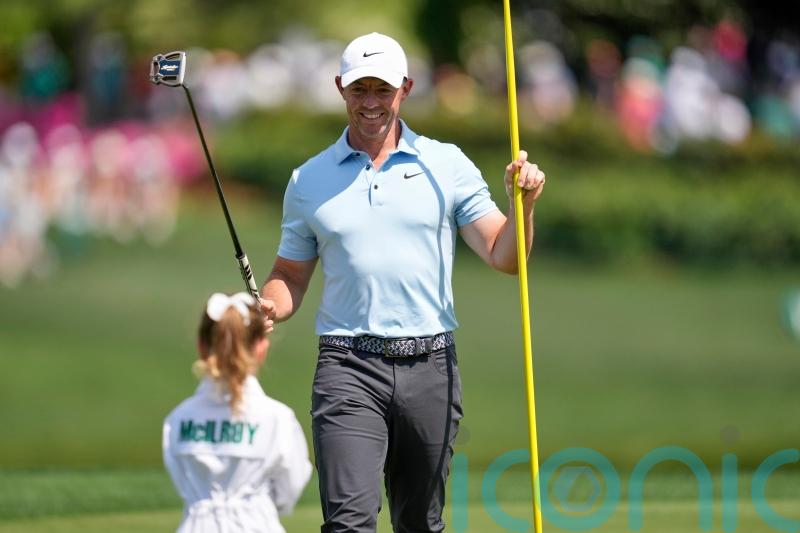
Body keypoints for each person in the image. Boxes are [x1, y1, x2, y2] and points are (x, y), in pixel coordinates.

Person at [260, 32, 546, 533]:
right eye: (359, 90)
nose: (370, 103)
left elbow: (506, 257)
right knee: (349, 524)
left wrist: (523, 203)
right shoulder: (308, 180)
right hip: (347, 365)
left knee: (419, 523)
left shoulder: (447, 165)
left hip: (431, 366)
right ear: (340, 89)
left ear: (406, 89)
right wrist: (267, 305)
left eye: (382, 90)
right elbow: (289, 276)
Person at [163, 292, 312, 533]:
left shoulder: (178, 419)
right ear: (261, 348)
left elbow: (181, 478)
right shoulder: (277, 418)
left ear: (202, 347)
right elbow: (290, 487)